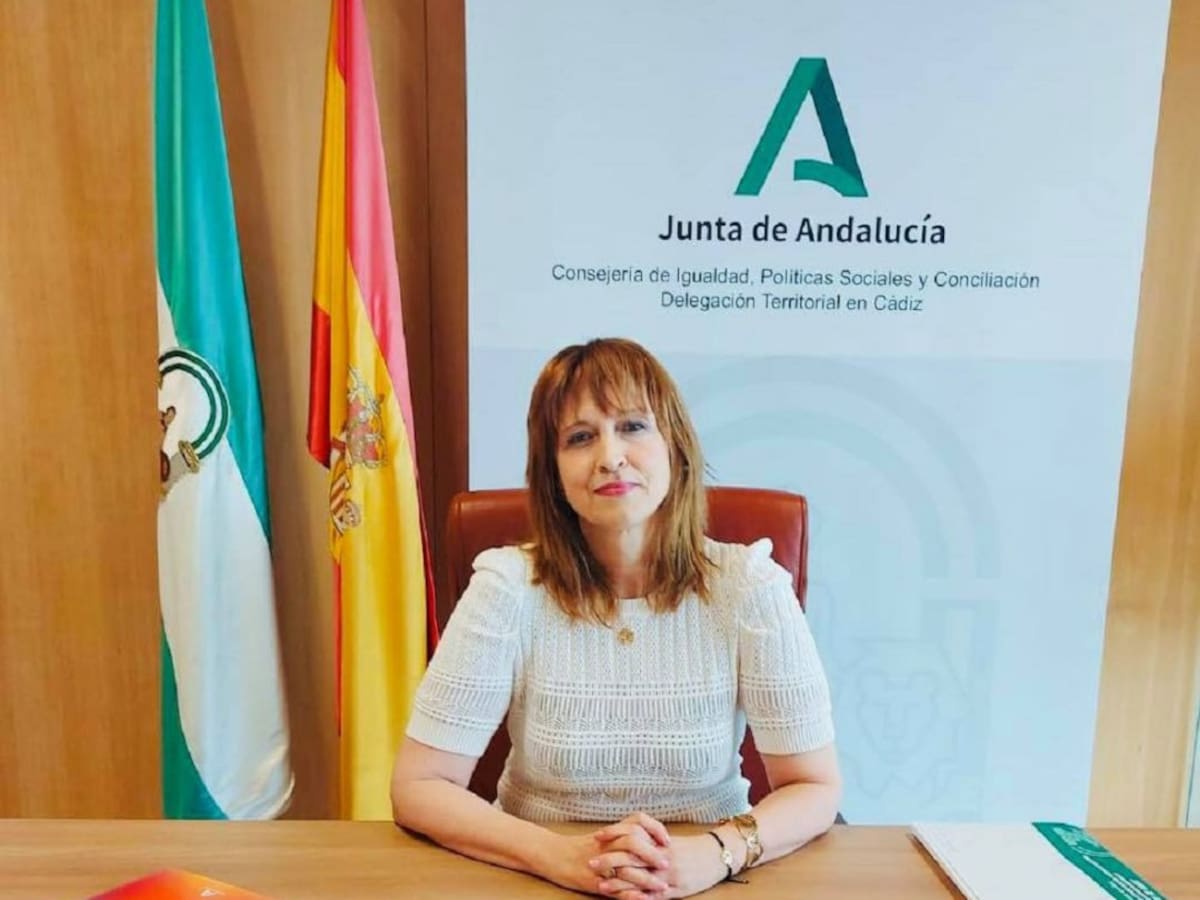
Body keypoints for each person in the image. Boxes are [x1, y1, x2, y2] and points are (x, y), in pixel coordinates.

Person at [391, 338, 840, 899]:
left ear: (675, 446)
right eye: (580, 437)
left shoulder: (748, 585)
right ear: (552, 472)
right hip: (539, 879)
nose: (610, 456)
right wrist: (557, 856)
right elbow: (420, 784)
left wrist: (715, 853)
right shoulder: (507, 587)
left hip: (710, 878)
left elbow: (814, 787)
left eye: (632, 426)